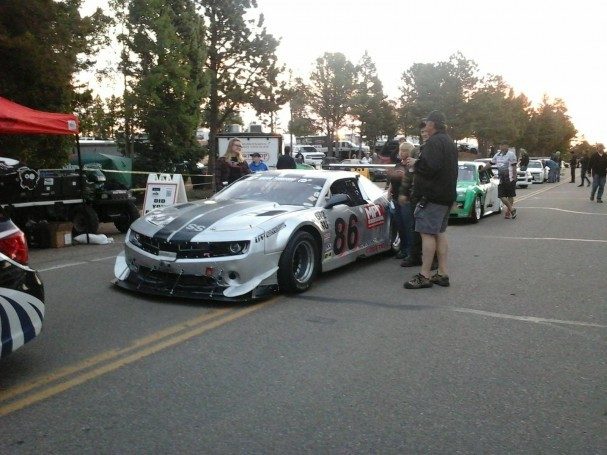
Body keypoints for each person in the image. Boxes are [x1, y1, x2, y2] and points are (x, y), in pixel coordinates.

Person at [403, 110, 457, 289]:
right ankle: (442, 273)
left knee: (427, 234)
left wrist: (415, 163)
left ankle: (424, 274)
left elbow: (430, 167)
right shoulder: (449, 141)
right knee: (440, 233)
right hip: (446, 195)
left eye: (427, 123)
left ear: (432, 124)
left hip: (432, 196)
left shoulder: (433, 142)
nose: (425, 126)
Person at [387, 141, 415, 260]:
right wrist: (389, 190)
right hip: (395, 198)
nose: (401, 152)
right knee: (400, 225)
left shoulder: (412, 165)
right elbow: (393, 180)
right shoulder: (398, 165)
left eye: (404, 150)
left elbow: (413, 181)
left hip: (407, 199)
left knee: (408, 226)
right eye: (400, 150)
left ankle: (410, 251)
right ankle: (403, 249)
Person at [490, 142, 518, 219]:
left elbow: (514, 166)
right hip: (501, 179)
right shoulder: (497, 155)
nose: (502, 147)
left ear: (507, 146)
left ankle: (508, 212)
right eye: (501, 145)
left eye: (504, 145)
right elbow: (490, 163)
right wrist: (482, 169)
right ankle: (512, 209)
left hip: (510, 178)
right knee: (501, 195)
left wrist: (515, 176)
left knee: (510, 195)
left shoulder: (511, 154)